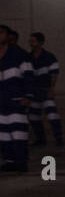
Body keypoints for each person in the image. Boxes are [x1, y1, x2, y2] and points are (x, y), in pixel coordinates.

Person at [0, 24, 34, 173]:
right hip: (1, 102)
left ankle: (21, 162)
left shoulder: (19, 54)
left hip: (16, 100)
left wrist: (28, 96)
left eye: (1, 33)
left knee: (18, 132)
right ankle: (9, 161)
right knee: (3, 133)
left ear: (8, 36)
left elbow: (29, 76)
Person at [26, 32, 63, 146]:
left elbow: (54, 74)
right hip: (34, 91)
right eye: (30, 41)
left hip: (46, 89)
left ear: (41, 42)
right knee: (34, 117)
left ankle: (58, 138)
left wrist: (51, 89)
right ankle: (40, 140)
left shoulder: (49, 57)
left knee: (52, 116)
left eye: (34, 41)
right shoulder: (28, 57)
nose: (31, 43)